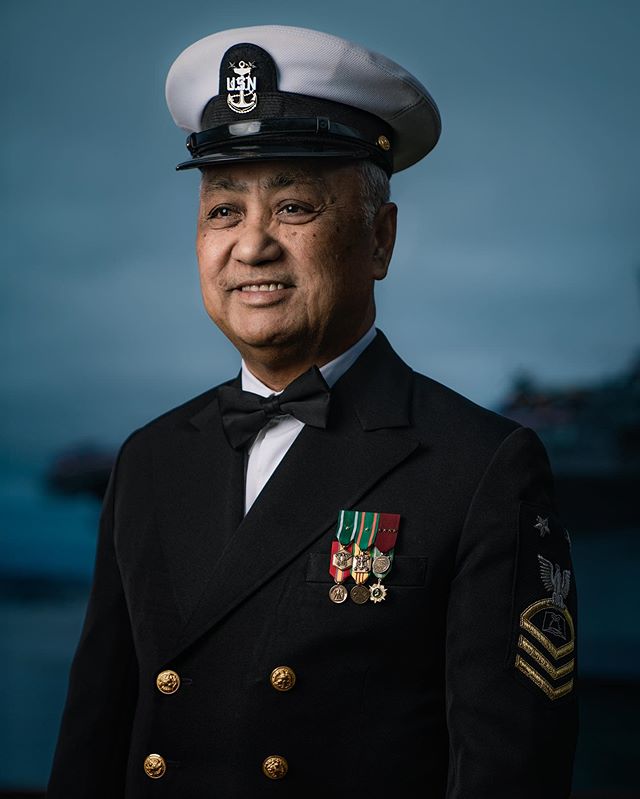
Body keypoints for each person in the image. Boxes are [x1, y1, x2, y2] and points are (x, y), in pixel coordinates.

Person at [47, 24, 578, 798]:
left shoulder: (481, 467)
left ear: (380, 240)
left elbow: (510, 775)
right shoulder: (148, 458)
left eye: (293, 205)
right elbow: (90, 747)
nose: (252, 246)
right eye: (224, 211)